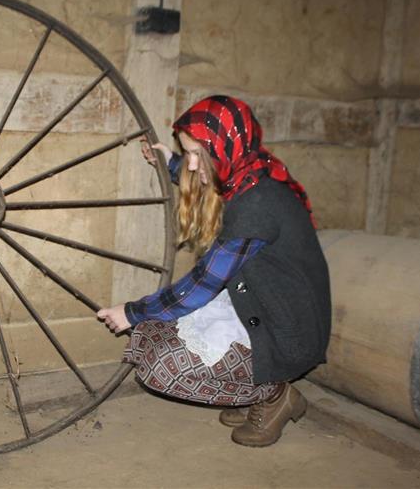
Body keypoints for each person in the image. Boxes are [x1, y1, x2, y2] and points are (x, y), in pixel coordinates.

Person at [97, 95, 331, 447]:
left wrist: (132, 311)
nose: (192, 165)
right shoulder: (249, 173)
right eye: (188, 154)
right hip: (257, 300)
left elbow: (203, 284)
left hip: (288, 329)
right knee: (151, 336)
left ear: (225, 148)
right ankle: (253, 388)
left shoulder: (258, 204)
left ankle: (273, 393)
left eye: (197, 154)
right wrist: (171, 162)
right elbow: (212, 178)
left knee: (164, 368)